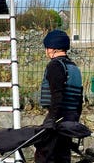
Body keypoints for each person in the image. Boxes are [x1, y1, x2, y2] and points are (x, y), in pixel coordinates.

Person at [35, 30, 84, 163]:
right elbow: (79, 99)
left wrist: (51, 119)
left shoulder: (55, 66)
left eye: (46, 47)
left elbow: (57, 95)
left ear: (52, 48)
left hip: (58, 119)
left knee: (45, 155)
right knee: (62, 156)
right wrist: (75, 121)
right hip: (70, 119)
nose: (46, 50)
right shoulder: (74, 68)